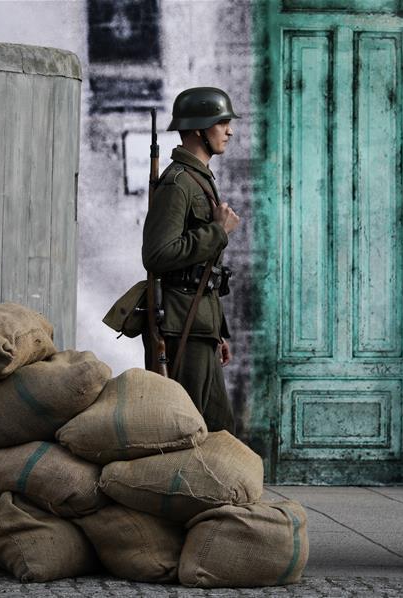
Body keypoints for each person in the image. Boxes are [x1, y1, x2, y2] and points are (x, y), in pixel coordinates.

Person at [141, 87, 241, 433]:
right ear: (200, 129)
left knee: (217, 428)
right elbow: (157, 253)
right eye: (222, 122)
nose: (229, 131)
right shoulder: (178, 183)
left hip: (200, 325)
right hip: (180, 325)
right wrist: (218, 231)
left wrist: (218, 331)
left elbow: (204, 273)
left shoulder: (199, 180)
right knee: (185, 430)